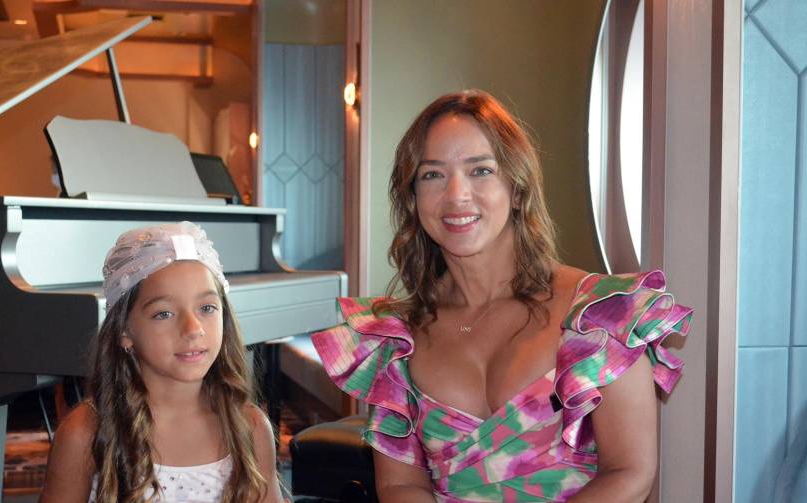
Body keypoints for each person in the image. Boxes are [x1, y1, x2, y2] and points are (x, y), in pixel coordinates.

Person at [312, 90, 692, 502]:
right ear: (412, 197)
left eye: (481, 170)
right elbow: (400, 485)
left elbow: (629, 473)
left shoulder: (600, 314)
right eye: (432, 174)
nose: (456, 195)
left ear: (517, 188)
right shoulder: (395, 340)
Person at [40, 222, 281, 503]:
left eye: (207, 308)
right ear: (124, 330)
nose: (193, 329)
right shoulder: (85, 433)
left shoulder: (250, 426)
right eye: (164, 314)